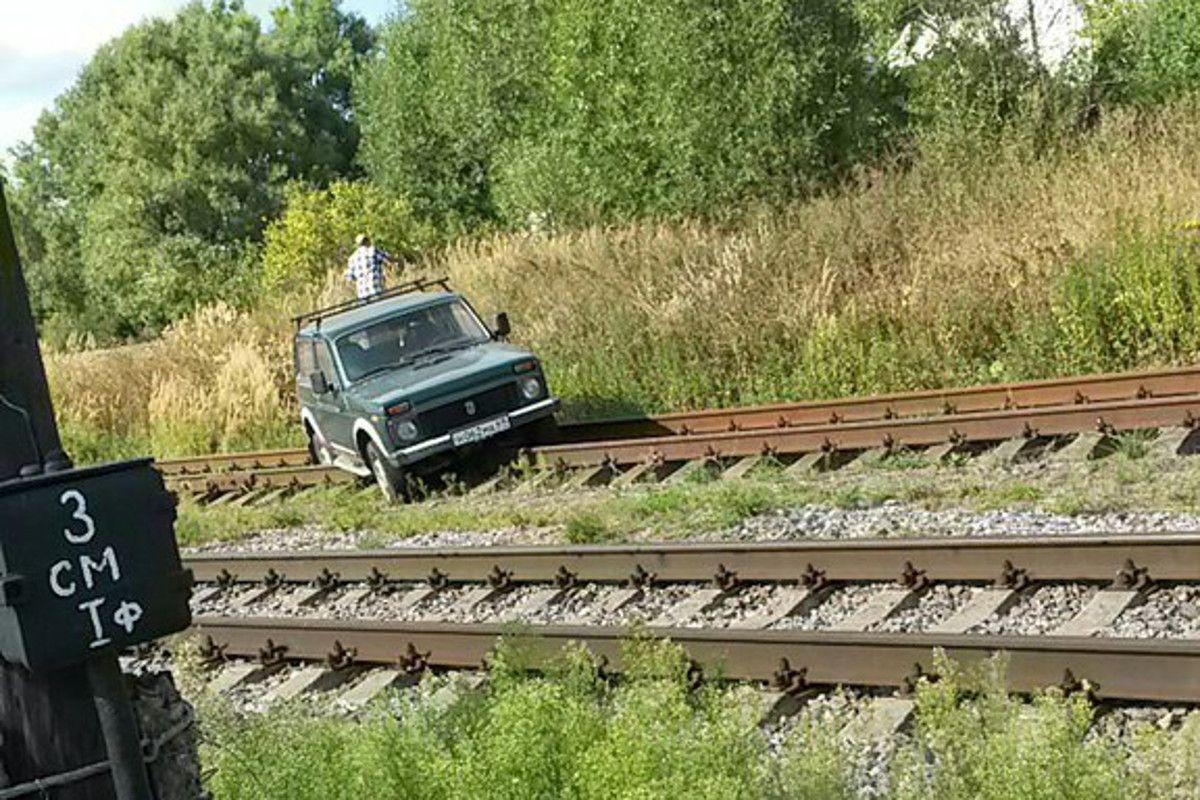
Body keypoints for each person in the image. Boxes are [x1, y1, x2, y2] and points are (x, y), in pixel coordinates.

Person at [344, 233, 395, 299]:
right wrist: (399, 260)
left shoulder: (352, 258)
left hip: (362, 294)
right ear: (367, 241)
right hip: (375, 290)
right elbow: (388, 258)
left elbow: (349, 277)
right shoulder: (373, 250)